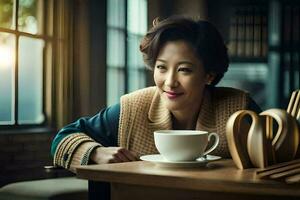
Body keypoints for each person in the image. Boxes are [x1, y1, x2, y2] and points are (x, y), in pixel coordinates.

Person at [51, 16, 261, 172]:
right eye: (161, 68)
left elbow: (282, 155)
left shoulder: (239, 108)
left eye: (184, 70)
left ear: (209, 75)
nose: (169, 82)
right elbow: (63, 138)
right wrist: (96, 152)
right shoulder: (132, 108)